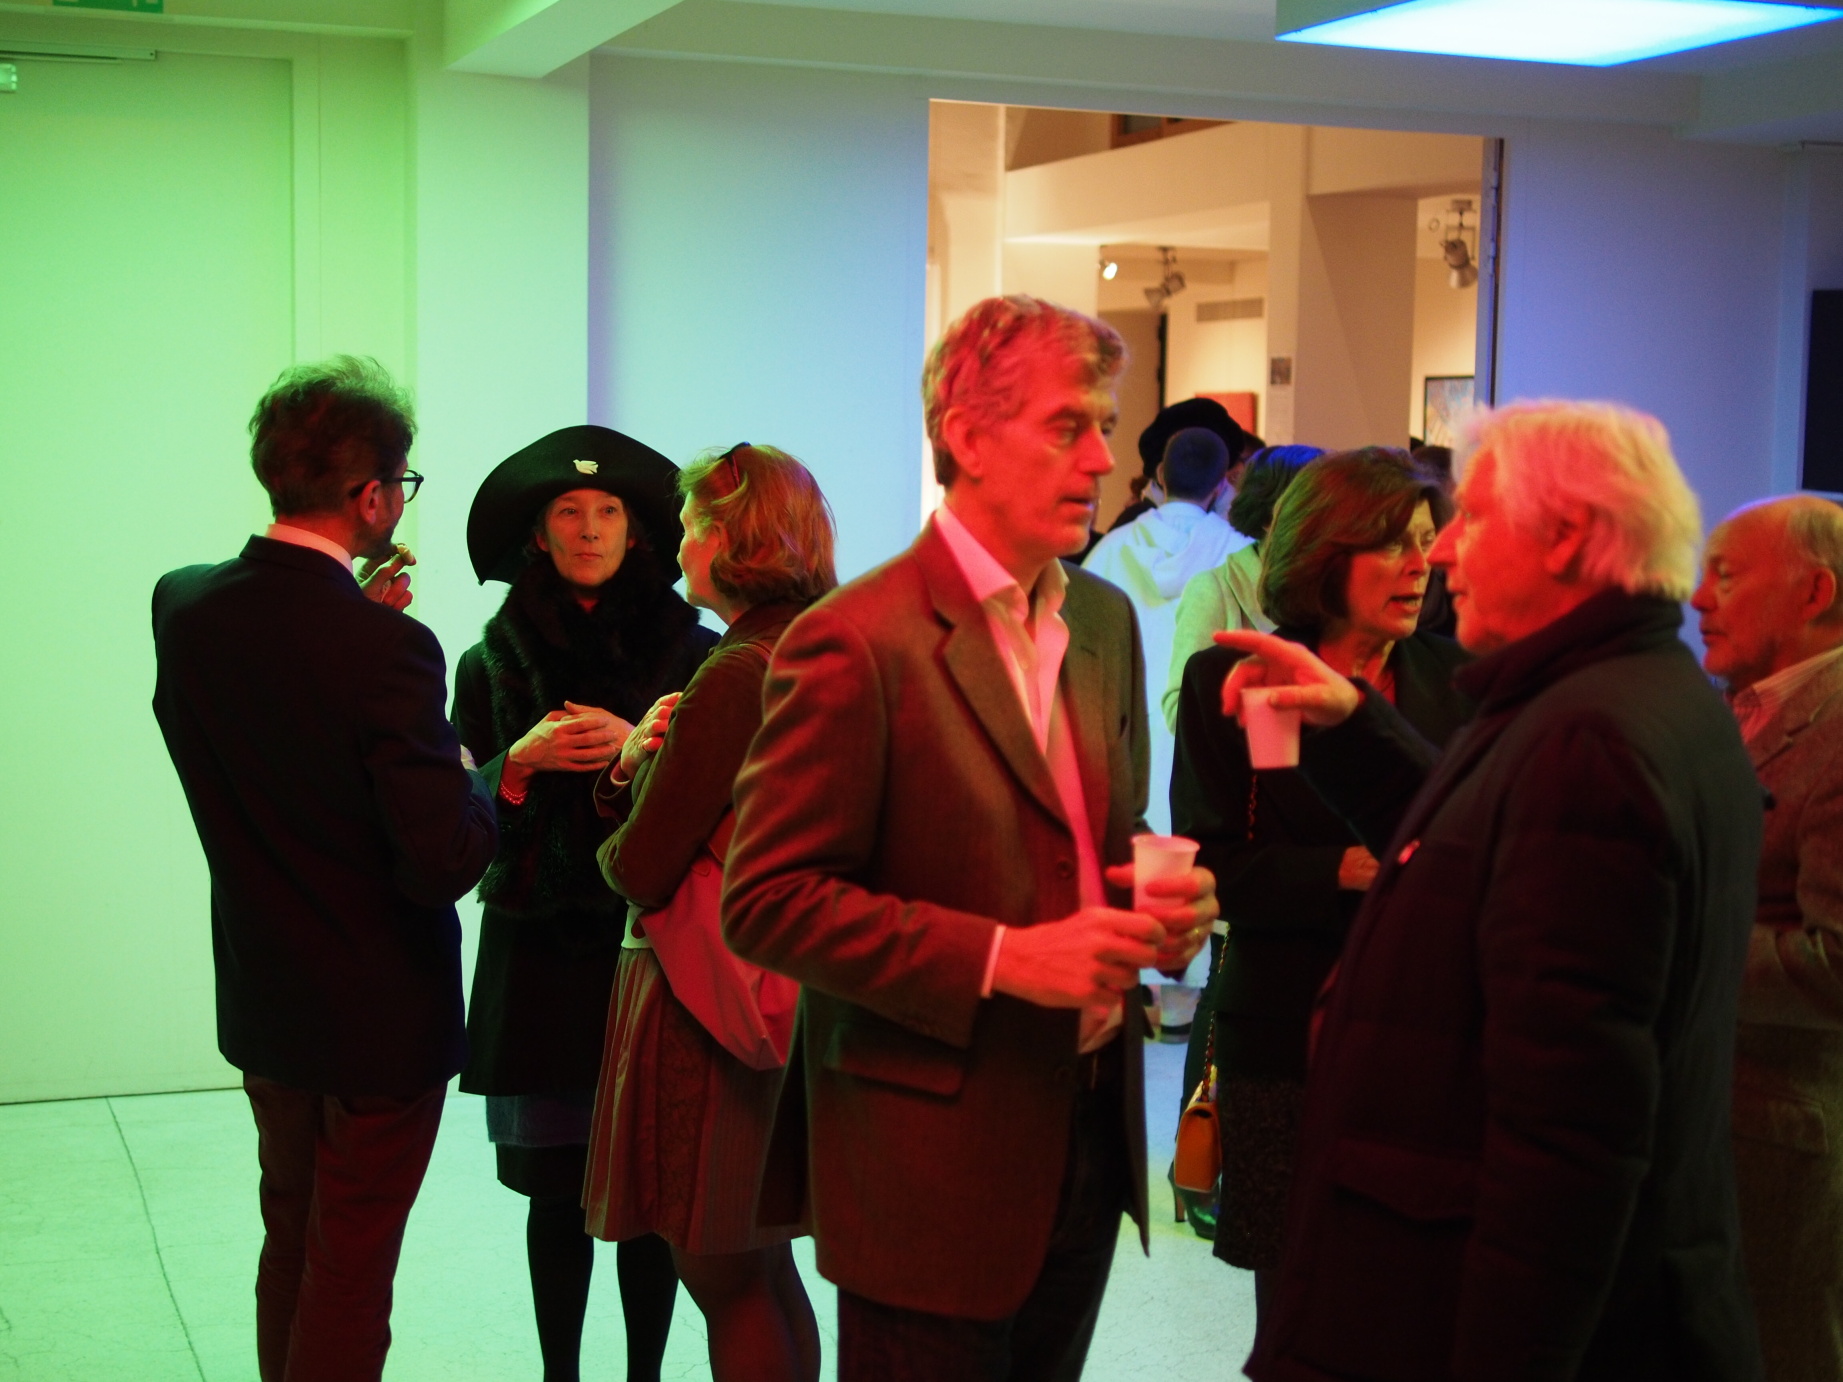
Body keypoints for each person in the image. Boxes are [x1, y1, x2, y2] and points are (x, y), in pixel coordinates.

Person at [721, 294, 1219, 1382]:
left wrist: (1153, 899)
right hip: (926, 1161)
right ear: (967, 436)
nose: (1102, 458)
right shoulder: (854, 640)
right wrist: (1002, 958)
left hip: (1087, 1130)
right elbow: (766, 899)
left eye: (1104, 425)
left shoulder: (1099, 622)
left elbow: (1102, 832)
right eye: (1066, 426)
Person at [1220, 400, 1765, 1382]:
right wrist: (1353, 728)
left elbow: (1565, 1141)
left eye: (1470, 518)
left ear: (1564, 536)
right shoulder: (1625, 692)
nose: (1442, 553)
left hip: (1465, 1308)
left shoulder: (1587, 738)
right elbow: (1469, 861)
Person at [151, 356, 499, 1382]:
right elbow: (441, 857)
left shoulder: (183, 605)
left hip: (268, 997)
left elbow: (285, 723)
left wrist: (361, 618)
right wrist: (485, 779)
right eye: (402, 483)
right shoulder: (389, 651)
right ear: (371, 495)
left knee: (291, 1238)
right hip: (378, 1020)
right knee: (350, 1270)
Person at [451, 425, 716, 1382]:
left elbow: (725, 810)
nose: (590, 528)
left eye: (608, 511)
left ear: (640, 532)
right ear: (538, 533)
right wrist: (515, 766)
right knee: (554, 1194)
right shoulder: (486, 663)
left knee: (652, 1193)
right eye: (568, 511)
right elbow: (455, 818)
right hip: (538, 961)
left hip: (654, 949)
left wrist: (641, 745)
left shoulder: (697, 653)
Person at [1168, 450, 1472, 1274]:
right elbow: (1208, 861)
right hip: (1284, 1030)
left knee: (1407, 1281)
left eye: (1425, 541)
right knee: (1292, 1281)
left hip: (1427, 1037)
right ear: (1322, 553)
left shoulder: (1458, 678)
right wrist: (1337, 870)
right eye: (1393, 543)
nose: (1420, 565)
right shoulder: (1230, 678)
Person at [584, 443, 834, 1382]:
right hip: (781, 984)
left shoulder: (735, 670)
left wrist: (627, 791)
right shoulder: (819, 642)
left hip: (706, 1002)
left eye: (690, 525)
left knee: (722, 1269)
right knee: (763, 1264)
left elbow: (644, 866)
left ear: (731, 539)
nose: (677, 543)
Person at [1693, 495, 1843, 1382]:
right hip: (1719, 1124)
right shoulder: (1734, 707)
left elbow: (1838, 964)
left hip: (1783, 1142)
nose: (1697, 598)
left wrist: (1676, 948)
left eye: (1725, 574)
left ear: (1813, 593)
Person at [1084, 426, 1247, 839]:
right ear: (1221, 485)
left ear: (1159, 474)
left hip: (1120, 737)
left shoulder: (1111, 549)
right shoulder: (1238, 556)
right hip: (1202, 745)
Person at [1162, 445, 1324, 732]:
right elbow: (1179, 710)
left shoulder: (1332, 588)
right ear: (1270, 518)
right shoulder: (1214, 589)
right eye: (1317, 510)